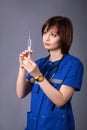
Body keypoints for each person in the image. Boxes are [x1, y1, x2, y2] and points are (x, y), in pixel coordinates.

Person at [16, 16, 84, 130]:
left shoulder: (74, 64)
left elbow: (60, 101)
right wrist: (22, 68)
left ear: (64, 37)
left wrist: (38, 76)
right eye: (45, 32)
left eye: (53, 35)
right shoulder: (40, 63)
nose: (46, 38)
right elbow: (20, 93)